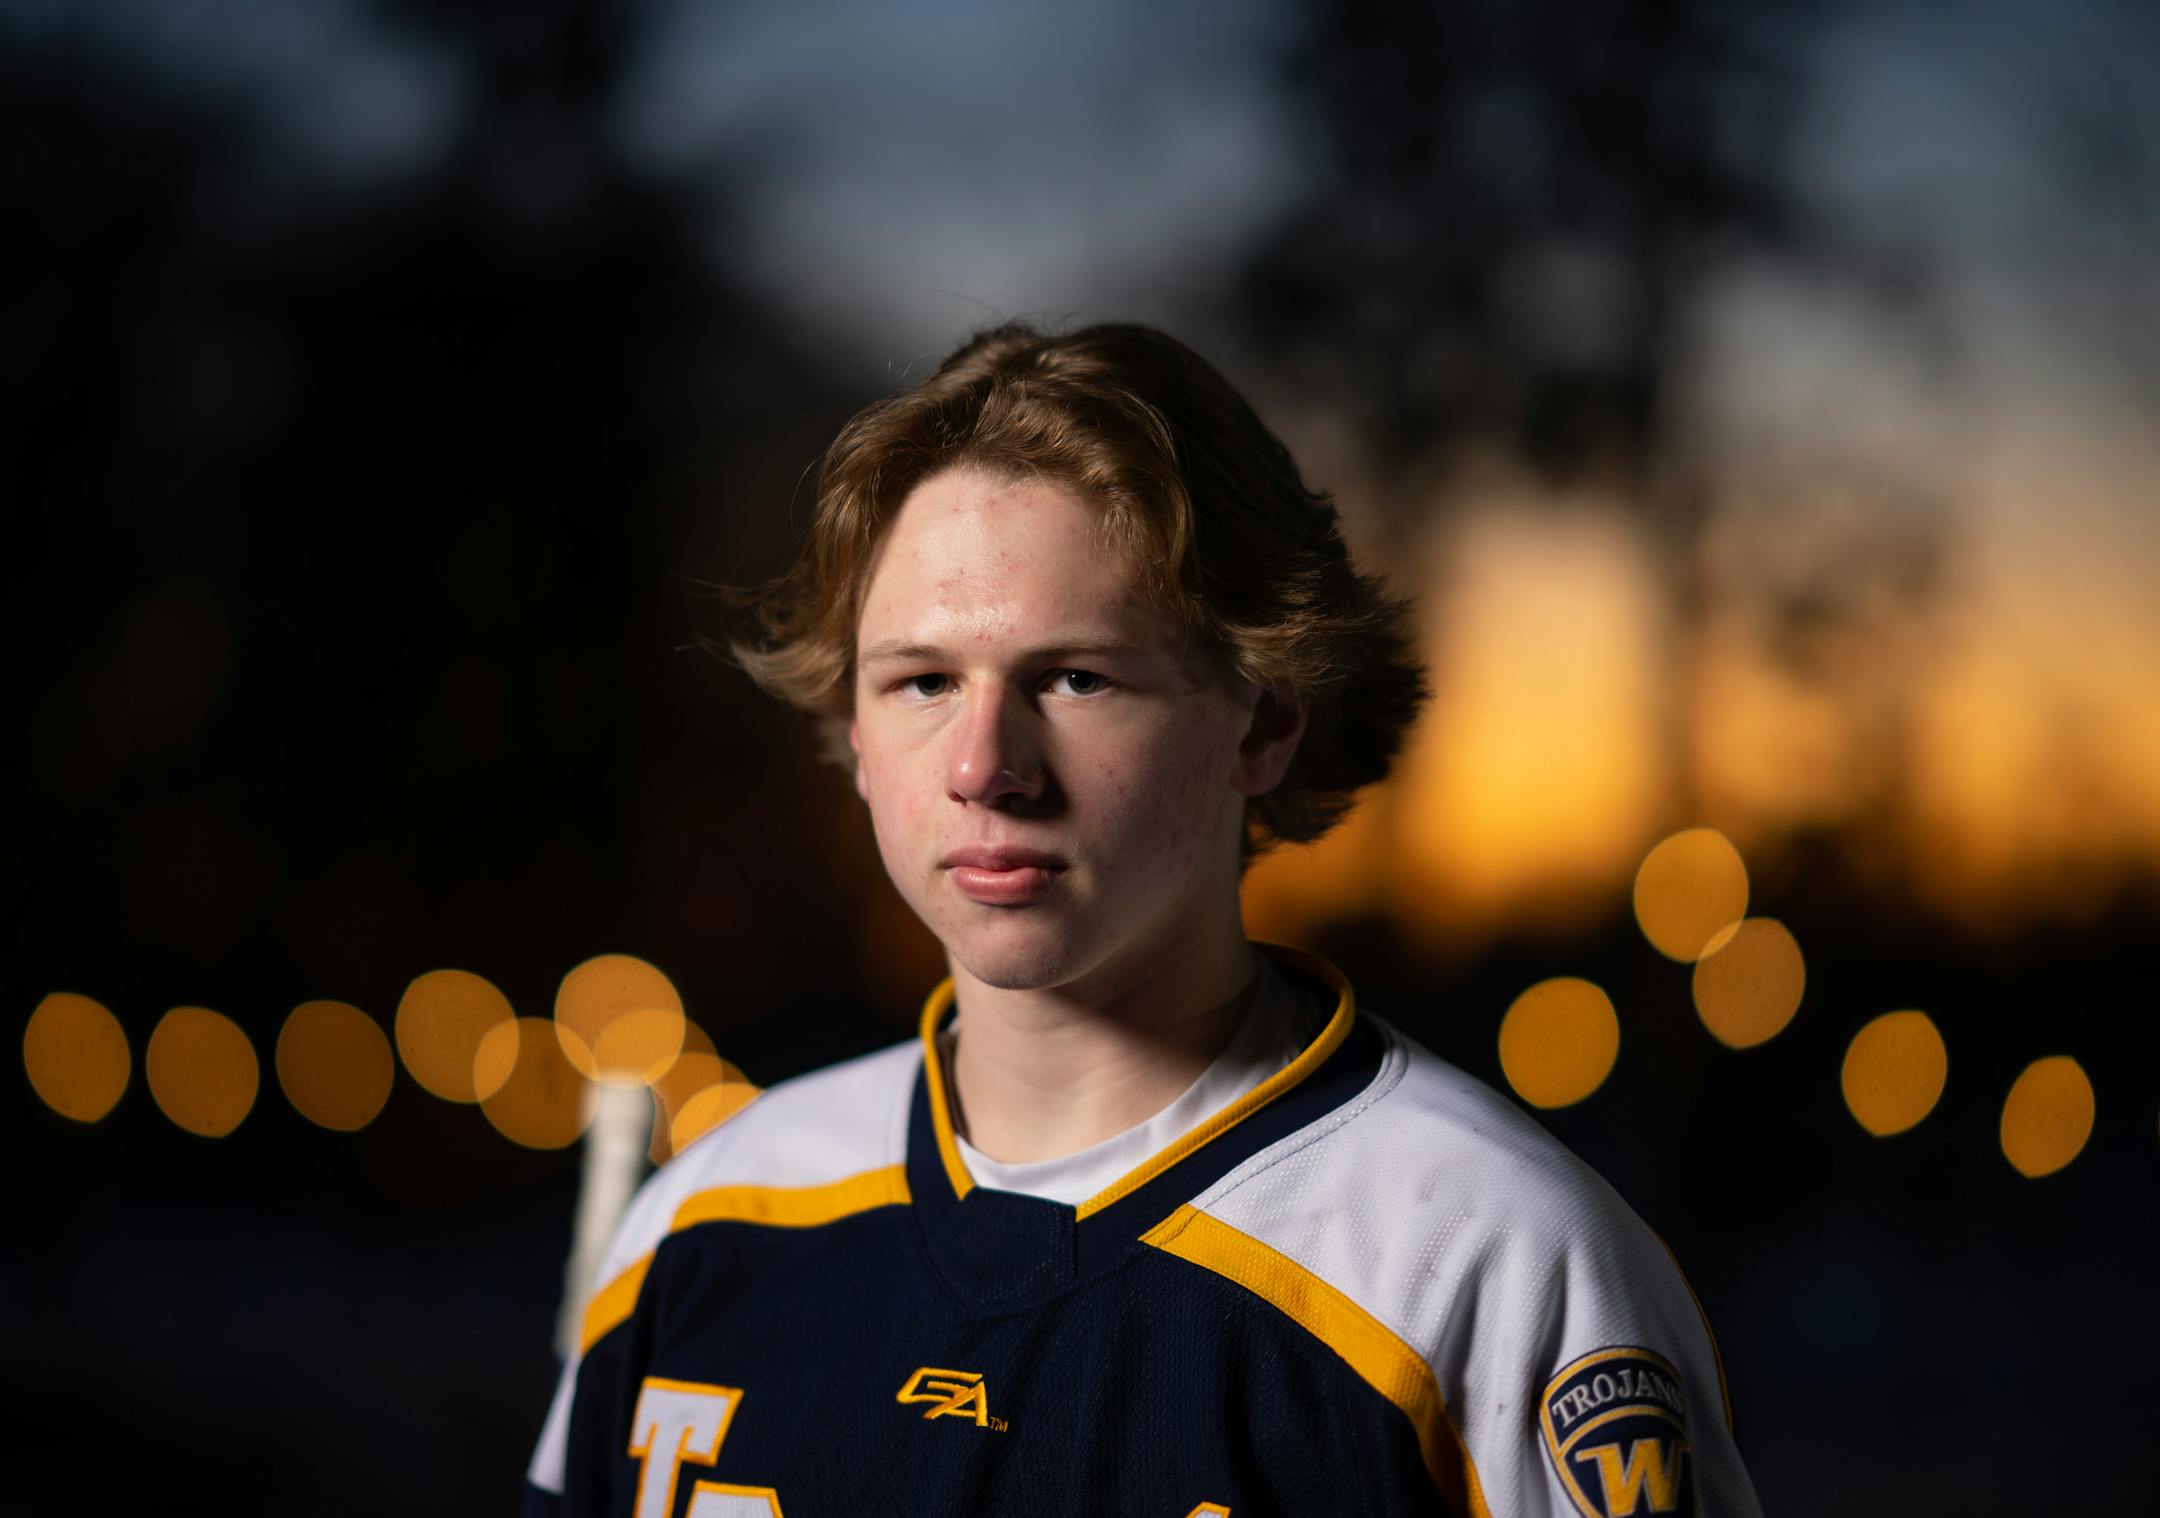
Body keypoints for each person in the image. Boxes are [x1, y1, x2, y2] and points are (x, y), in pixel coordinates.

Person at [522, 321, 1764, 1517]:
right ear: (853, 728)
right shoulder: (710, 1218)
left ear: (1265, 723)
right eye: (923, 681)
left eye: (1077, 677)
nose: (983, 764)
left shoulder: (1494, 1258)